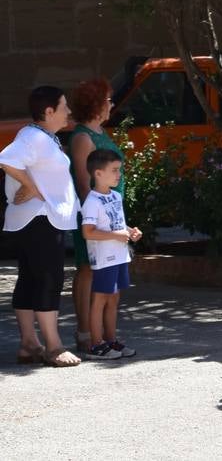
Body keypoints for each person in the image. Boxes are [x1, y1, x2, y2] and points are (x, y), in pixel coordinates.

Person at [1, 86, 81, 367]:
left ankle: (29, 344)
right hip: (40, 219)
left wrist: (30, 186)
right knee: (49, 278)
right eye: (63, 107)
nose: (68, 112)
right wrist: (31, 187)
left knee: (31, 278)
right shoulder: (34, 137)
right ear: (48, 112)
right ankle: (53, 346)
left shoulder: (42, 137)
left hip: (36, 218)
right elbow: (6, 159)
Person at [66, 77, 123, 352]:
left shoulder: (99, 131)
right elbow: (82, 181)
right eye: (107, 100)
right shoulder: (82, 137)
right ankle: (85, 331)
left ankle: (102, 332)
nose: (111, 104)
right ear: (96, 104)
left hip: (111, 213)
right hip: (94, 216)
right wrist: (99, 218)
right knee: (87, 269)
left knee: (106, 271)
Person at [80, 148, 142, 359]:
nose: (119, 175)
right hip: (104, 258)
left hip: (119, 255)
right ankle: (96, 344)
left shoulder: (115, 196)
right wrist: (117, 235)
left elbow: (118, 224)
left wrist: (130, 231)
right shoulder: (92, 201)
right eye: (114, 170)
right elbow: (87, 232)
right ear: (98, 173)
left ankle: (110, 341)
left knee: (113, 300)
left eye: (120, 170)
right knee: (100, 300)